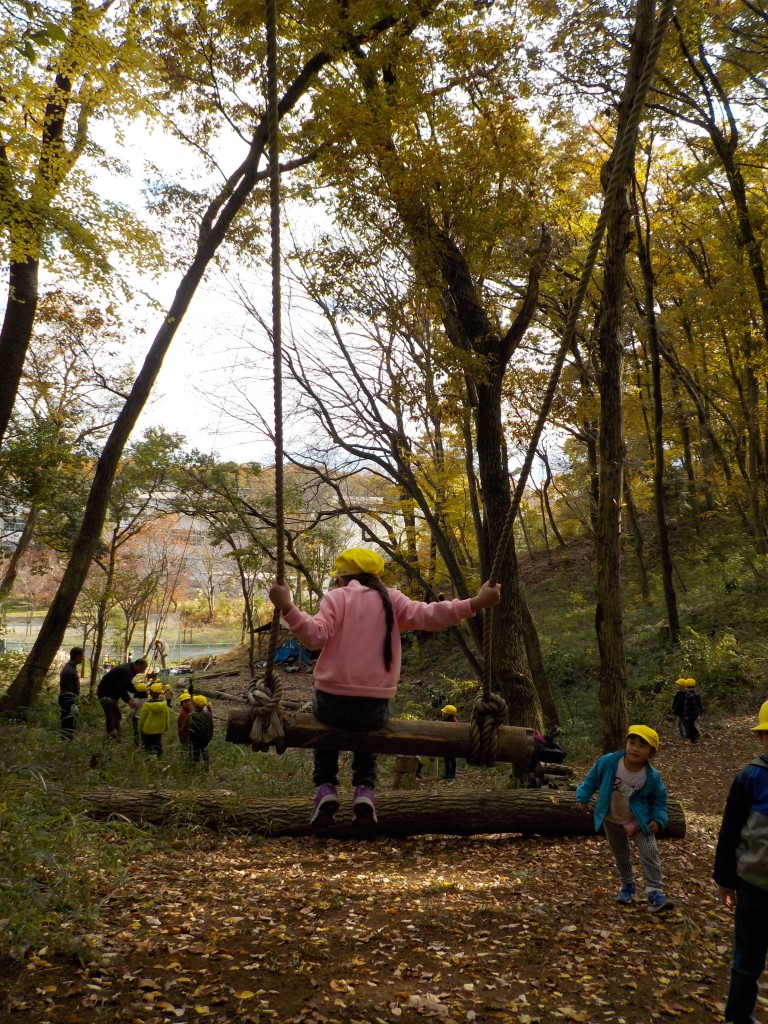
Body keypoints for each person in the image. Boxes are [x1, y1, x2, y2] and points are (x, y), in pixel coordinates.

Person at [268, 546, 501, 828]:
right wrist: (474, 603)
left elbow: (314, 637)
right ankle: (364, 789)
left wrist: (288, 607)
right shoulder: (392, 600)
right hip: (373, 708)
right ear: (377, 578)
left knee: (323, 726)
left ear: (342, 579)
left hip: (332, 704)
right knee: (367, 732)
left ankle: (326, 786)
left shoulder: (336, 598)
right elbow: (430, 615)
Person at [576, 724, 673, 913]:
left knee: (649, 852)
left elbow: (659, 800)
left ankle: (654, 893)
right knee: (621, 855)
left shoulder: (651, 776)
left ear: (651, 752)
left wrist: (658, 818)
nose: (635, 748)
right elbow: (591, 779)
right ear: (626, 743)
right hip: (611, 819)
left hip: (638, 821)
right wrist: (583, 798)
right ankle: (628, 887)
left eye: (642, 746)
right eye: (632, 742)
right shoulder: (609, 762)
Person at [714, 700, 768, 1024]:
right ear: (761, 739)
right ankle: (737, 1016)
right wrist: (725, 880)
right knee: (748, 961)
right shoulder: (750, 779)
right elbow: (730, 832)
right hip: (754, 890)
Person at [96, 658, 147, 738]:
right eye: (142, 669)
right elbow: (121, 687)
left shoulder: (130, 668)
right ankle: (111, 736)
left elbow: (126, 683)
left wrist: (137, 690)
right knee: (111, 715)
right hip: (106, 693)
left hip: (112, 693)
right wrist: (128, 700)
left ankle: (117, 733)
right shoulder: (127, 671)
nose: (141, 672)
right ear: (138, 665)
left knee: (116, 715)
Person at [137, 681, 171, 755]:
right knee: (158, 744)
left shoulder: (146, 705)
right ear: (160, 694)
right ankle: (159, 759)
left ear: (150, 693)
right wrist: (166, 727)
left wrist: (139, 729)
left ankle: (148, 760)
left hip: (147, 730)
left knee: (148, 746)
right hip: (159, 729)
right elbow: (166, 717)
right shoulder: (164, 705)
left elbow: (142, 719)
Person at [59, 647, 85, 740]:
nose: (83, 658)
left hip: (69, 701)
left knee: (70, 723)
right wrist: (73, 703)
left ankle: (67, 742)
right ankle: (66, 743)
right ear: (77, 656)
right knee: (68, 723)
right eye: (82, 656)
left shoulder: (71, 667)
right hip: (68, 701)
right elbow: (68, 691)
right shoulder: (69, 671)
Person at [188, 694, 214, 768]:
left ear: (195, 705)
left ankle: (193, 766)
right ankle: (206, 767)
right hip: (205, 739)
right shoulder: (208, 715)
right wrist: (209, 737)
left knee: (195, 753)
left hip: (195, 740)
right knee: (205, 753)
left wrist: (190, 738)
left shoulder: (192, 715)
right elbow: (211, 727)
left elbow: (190, 728)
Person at [440, 704, 459, 781]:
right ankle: (451, 774)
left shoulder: (448, 722)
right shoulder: (454, 721)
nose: (442, 713)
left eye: (444, 712)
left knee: (448, 759)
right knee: (451, 759)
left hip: (449, 744)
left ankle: (449, 774)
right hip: (452, 744)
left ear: (447, 714)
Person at [683, 677, 703, 744]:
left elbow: (687, 706)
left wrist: (686, 714)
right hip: (696, 713)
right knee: (691, 724)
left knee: (689, 726)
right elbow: (699, 704)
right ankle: (696, 733)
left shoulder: (688, 695)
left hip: (690, 714)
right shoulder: (697, 694)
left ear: (687, 687)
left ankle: (693, 739)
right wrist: (701, 711)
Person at [128, 681, 148, 746]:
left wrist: (128, 718)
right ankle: (144, 744)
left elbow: (132, 711)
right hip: (145, 718)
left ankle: (136, 744)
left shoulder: (135, 701)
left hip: (136, 718)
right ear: (146, 691)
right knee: (143, 731)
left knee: (136, 731)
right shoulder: (148, 700)